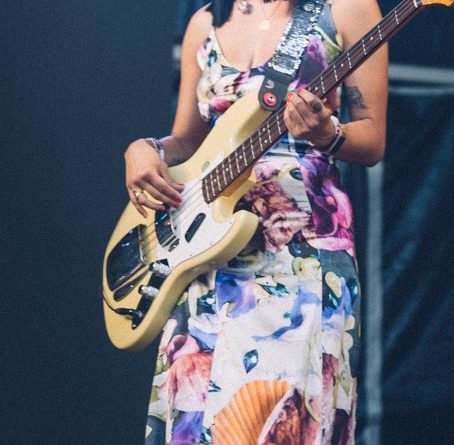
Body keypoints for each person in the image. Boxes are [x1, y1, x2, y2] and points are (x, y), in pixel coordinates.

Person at [123, 0, 387, 442]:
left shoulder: (346, 8)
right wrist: (146, 149)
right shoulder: (205, 23)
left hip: (299, 255)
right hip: (204, 252)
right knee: (197, 417)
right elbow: (189, 139)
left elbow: (372, 137)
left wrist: (328, 134)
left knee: (280, 420)